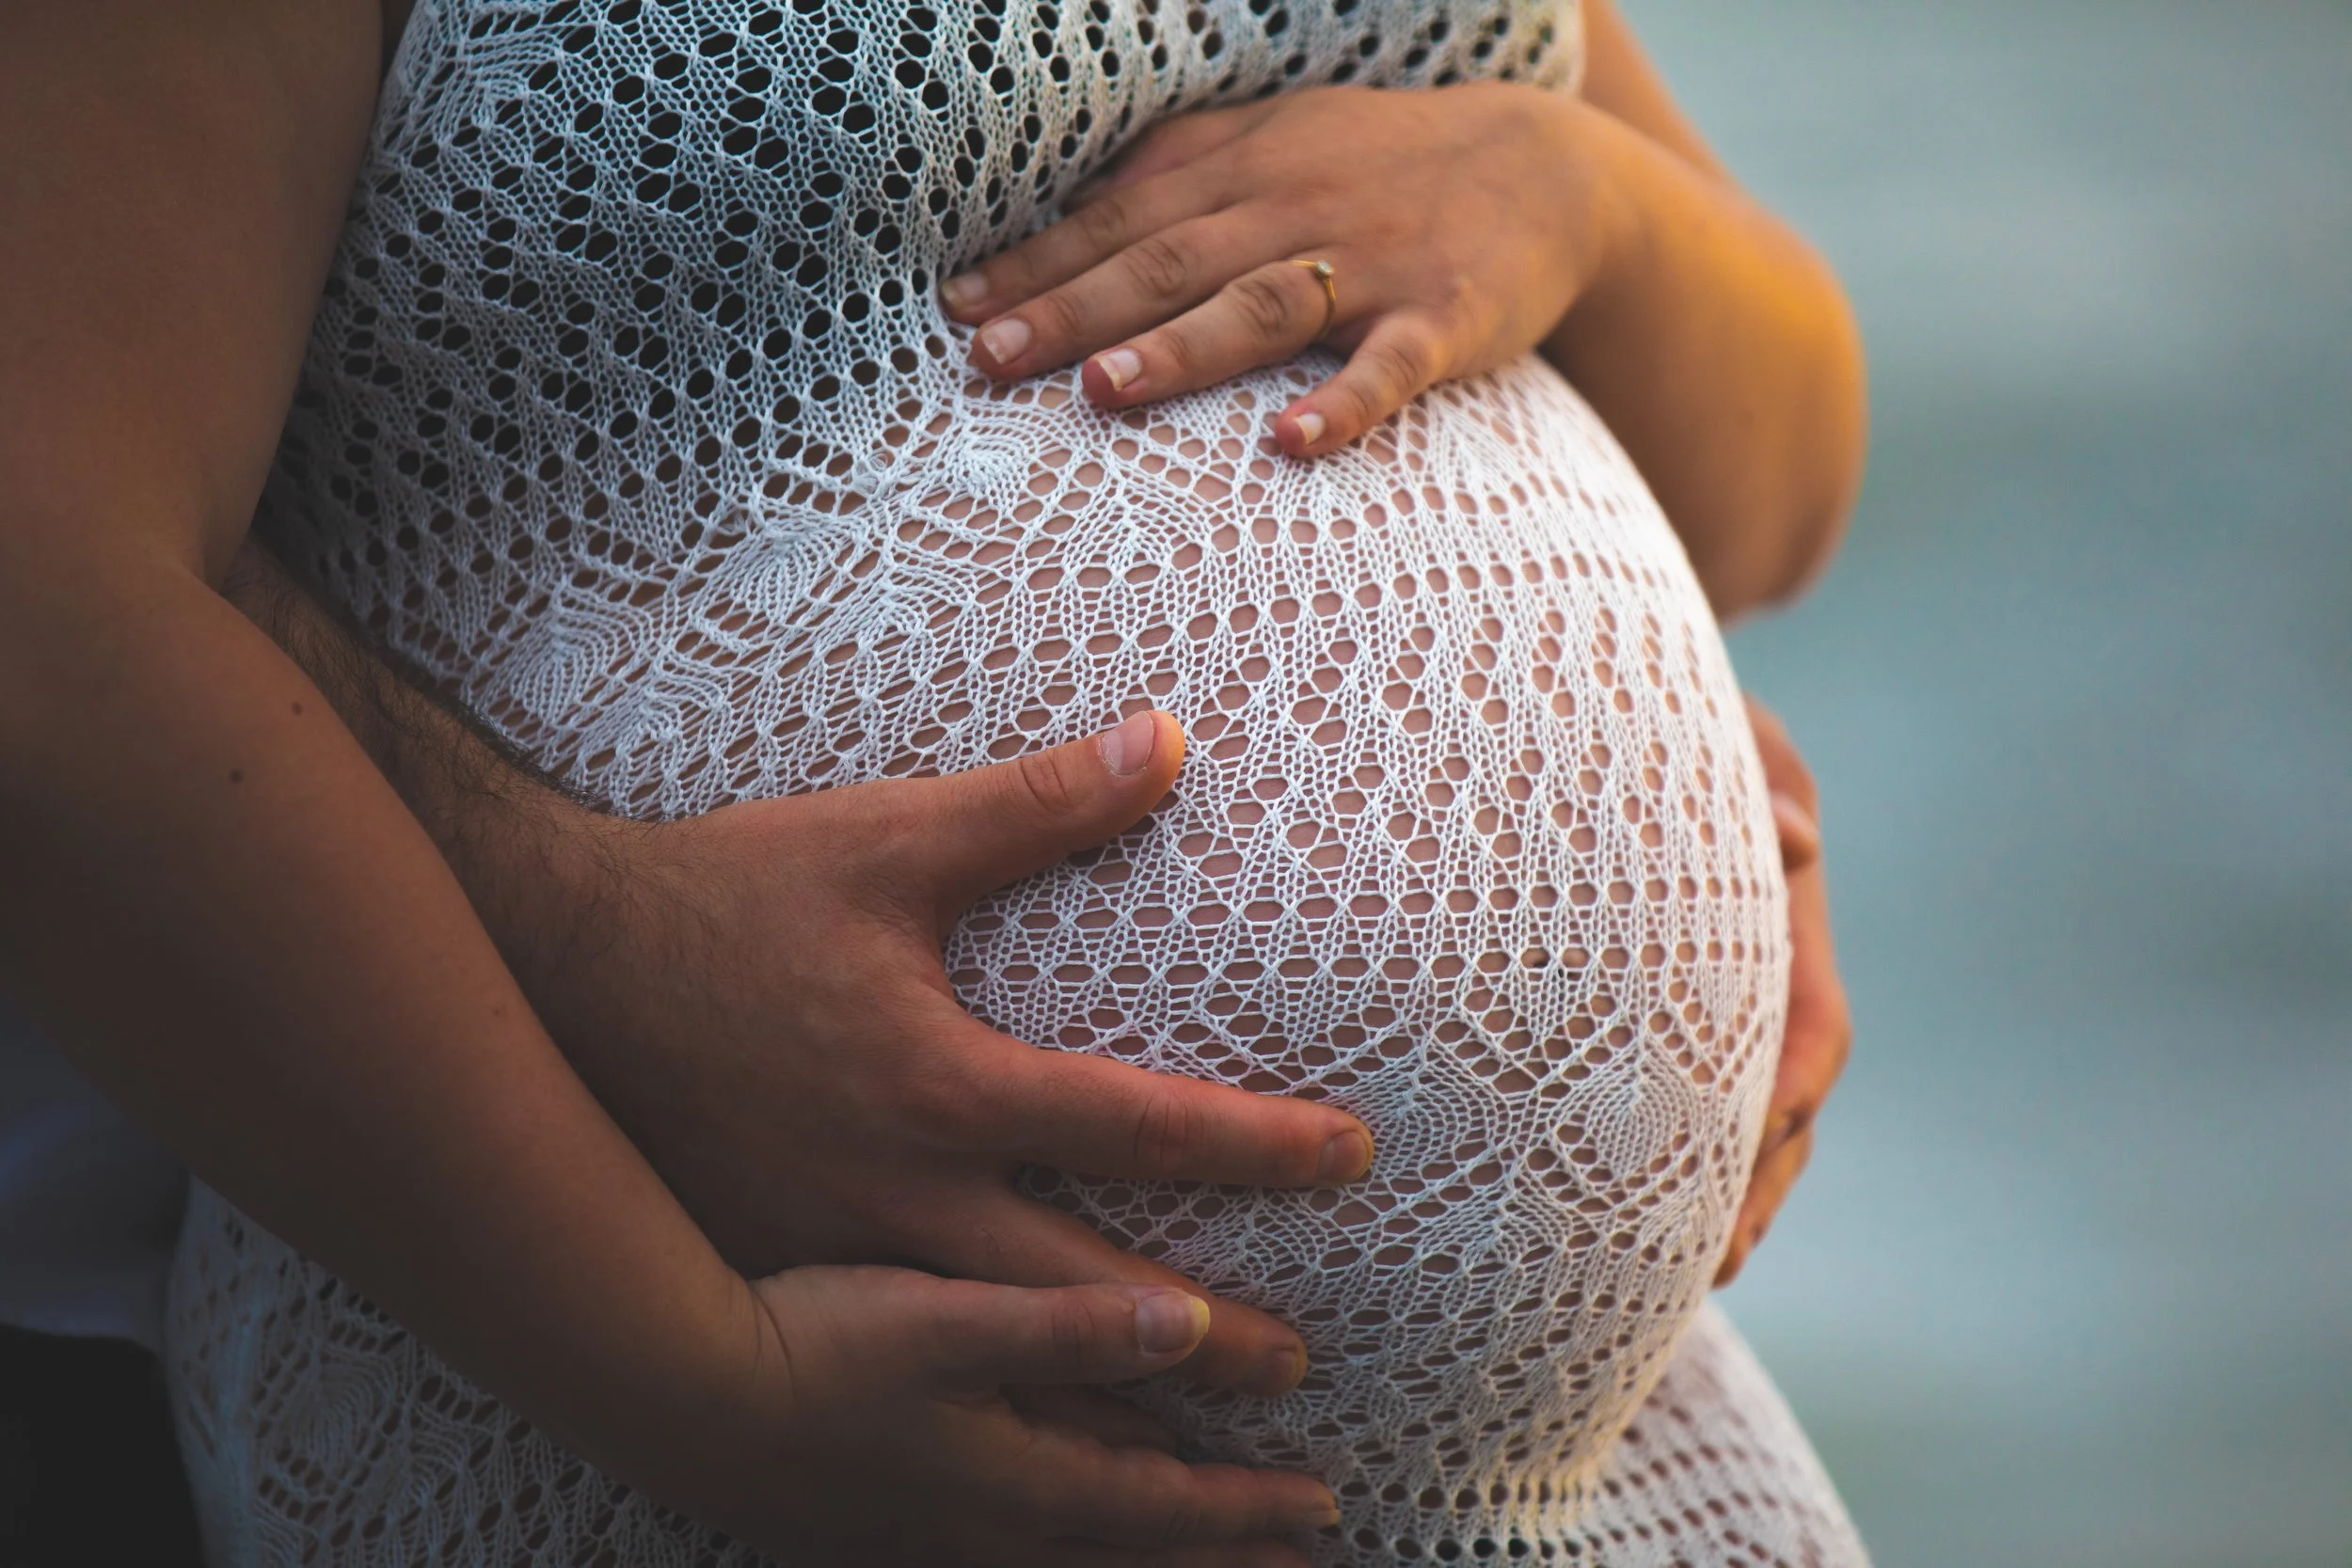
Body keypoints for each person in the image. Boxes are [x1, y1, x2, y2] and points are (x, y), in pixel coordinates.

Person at [0, 0, 1863, 1562]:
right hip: (605, 1380)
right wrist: (702, 1380)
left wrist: (1580, 205)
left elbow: (1777, 495)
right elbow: (50, 595)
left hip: (1560, 1450)